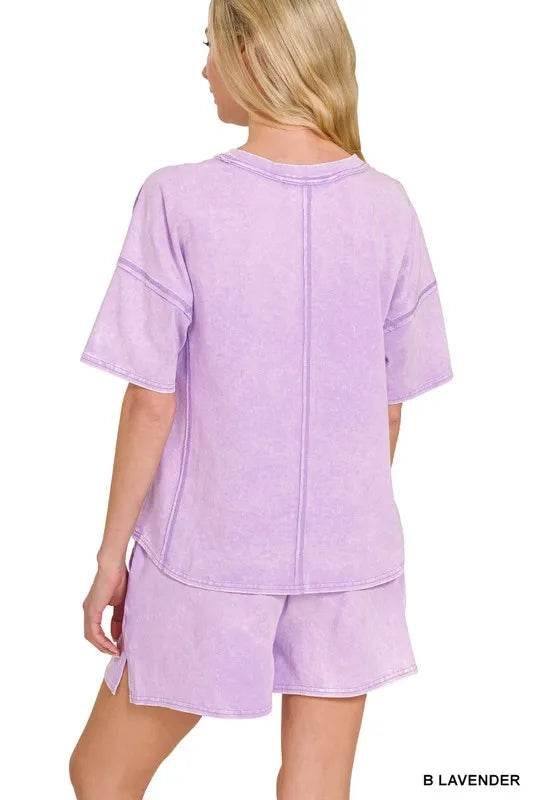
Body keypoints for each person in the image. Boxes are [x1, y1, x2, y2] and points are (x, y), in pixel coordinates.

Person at [69, 1, 453, 798]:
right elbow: (388, 406)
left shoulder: (179, 199)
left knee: (100, 775)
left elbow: (151, 400)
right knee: (316, 786)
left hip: (208, 552)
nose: (204, 67)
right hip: (350, 555)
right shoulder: (387, 205)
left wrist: (110, 558)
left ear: (253, 53)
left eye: (212, 45)